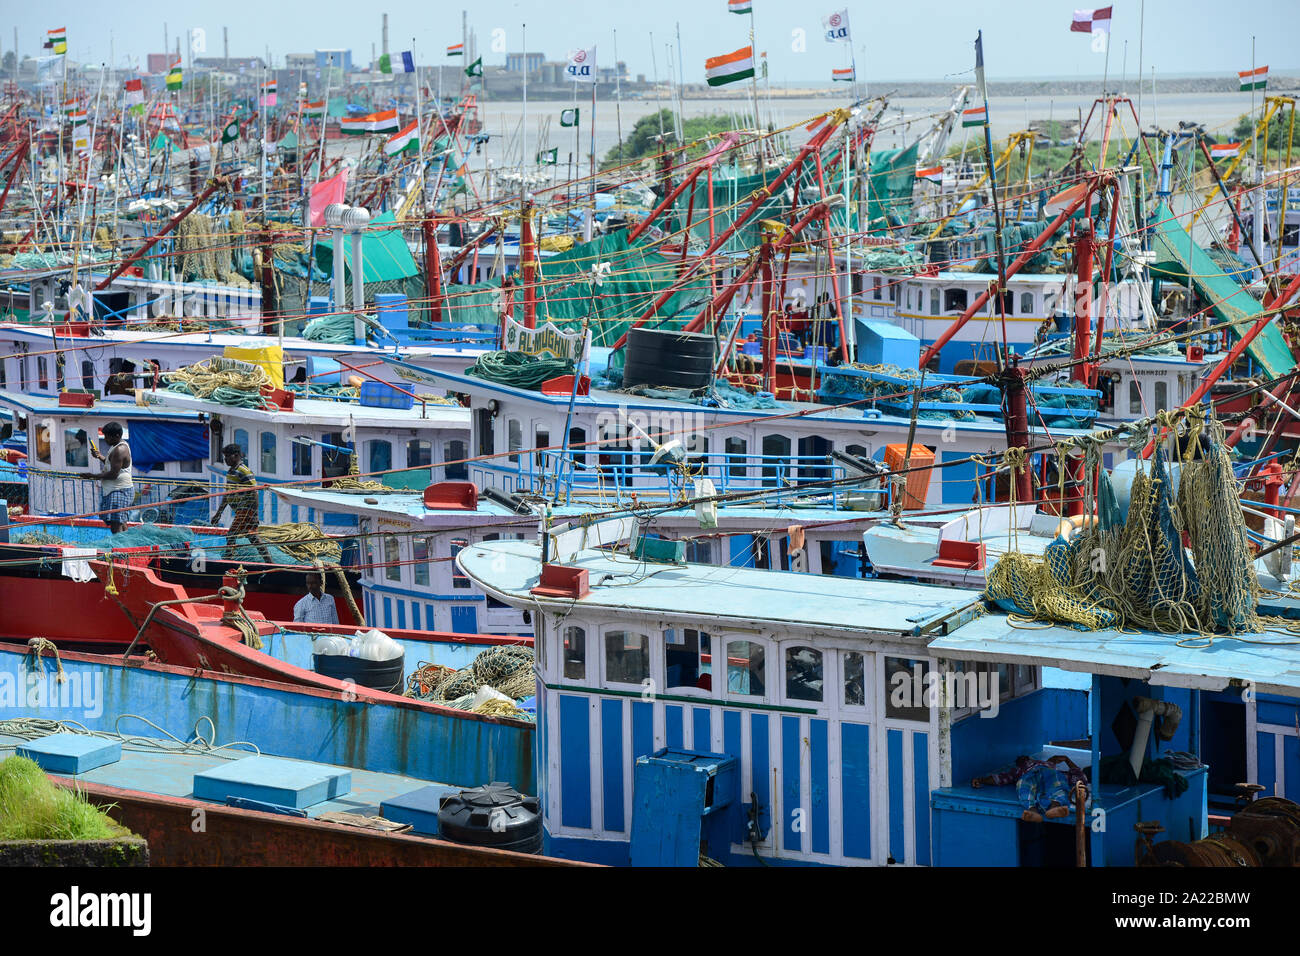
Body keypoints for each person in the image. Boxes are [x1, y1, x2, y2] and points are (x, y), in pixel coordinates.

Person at [212, 443, 272, 563]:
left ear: (235, 456)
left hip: (246, 510)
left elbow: (254, 492)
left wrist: (254, 514)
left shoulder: (244, 471)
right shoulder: (230, 472)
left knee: (231, 535)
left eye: (227, 456)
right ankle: (269, 562)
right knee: (252, 536)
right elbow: (228, 495)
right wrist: (218, 513)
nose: (225, 459)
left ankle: (228, 561)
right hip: (240, 510)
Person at [83, 421, 132, 535]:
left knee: (116, 525)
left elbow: (113, 474)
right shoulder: (115, 446)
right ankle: (125, 549)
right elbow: (112, 464)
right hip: (114, 490)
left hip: (119, 490)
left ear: (117, 436)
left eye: (107, 437)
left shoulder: (120, 450)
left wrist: (93, 476)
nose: (105, 439)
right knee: (121, 522)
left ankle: (119, 550)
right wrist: (99, 456)